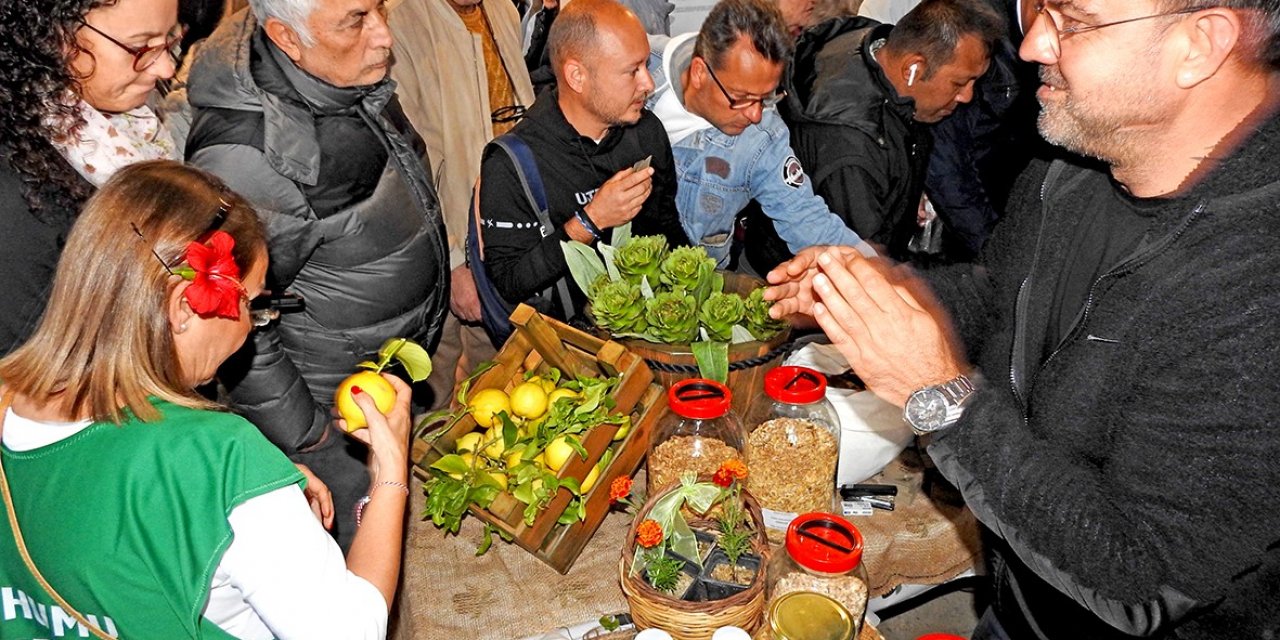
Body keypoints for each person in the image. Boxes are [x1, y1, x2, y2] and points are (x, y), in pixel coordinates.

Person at [765, 1, 1280, 637]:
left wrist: (943, 398)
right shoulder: (1073, 170)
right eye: (1039, 12)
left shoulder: (1257, 283)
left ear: (1200, 44)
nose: (1034, 44)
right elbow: (998, 296)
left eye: (1073, 21)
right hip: (1020, 597)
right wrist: (880, 294)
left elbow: (1143, 577)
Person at [0, 161, 411, 638]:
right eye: (252, 304)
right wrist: (389, 476)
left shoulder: (9, 397)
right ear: (182, 307)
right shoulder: (218, 456)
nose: (249, 332)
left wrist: (250, 498)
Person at [183, 0, 450, 549]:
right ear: (284, 36)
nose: (382, 35)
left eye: (379, 8)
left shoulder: (330, 75)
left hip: (374, 385)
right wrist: (313, 440)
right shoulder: (249, 158)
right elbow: (235, 318)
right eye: (355, 20)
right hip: (334, 416)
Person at [477, 0, 689, 327]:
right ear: (577, 76)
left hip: (650, 328)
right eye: (632, 70)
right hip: (568, 348)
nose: (647, 83)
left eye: (646, 65)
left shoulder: (646, 131)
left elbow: (668, 227)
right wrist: (591, 221)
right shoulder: (511, 162)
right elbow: (509, 281)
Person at [746, 0, 1002, 269]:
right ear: (913, 69)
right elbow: (864, 267)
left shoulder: (875, 47)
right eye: (959, 83)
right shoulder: (852, 149)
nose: (967, 95)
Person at [0, 0, 183, 356]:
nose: (165, 67)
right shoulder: (15, 180)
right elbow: (25, 368)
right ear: (55, 38)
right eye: (141, 47)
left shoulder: (126, 130)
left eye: (170, 40)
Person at [646, 0, 874, 268]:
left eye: (766, 98)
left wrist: (873, 271)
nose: (755, 115)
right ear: (699, 73)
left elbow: (806, 219)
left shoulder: (764, 138)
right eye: (743, 98)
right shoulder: (629, 63)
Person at [388, 0, 537, 383]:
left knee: (499, 377)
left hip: (508, 232)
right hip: (444, 244)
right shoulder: (398, 21)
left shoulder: (503, 9)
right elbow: (408, 162)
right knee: (432, 387)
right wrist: (454, 261)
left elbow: (518, 107)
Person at [923, 0, 1043, 260]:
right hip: (975, 218)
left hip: (1026, 214)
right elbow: (946, 162)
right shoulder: (970, 22)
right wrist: (993, 251)